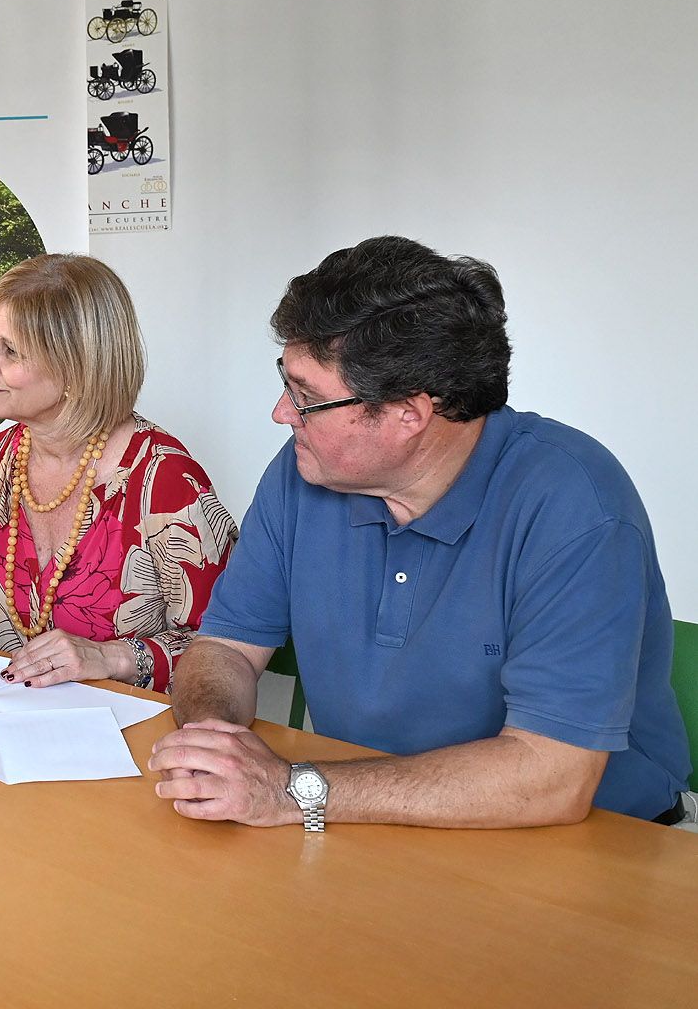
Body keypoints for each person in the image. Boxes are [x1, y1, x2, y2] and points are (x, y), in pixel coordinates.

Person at [153, 236, 692, 830]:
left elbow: (552, 778)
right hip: (363, 813)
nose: (282, 413)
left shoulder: (576, 506)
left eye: (306, 397)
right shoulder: (304, 473)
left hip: (596, 841)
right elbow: (227, 649)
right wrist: (213, 743)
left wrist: (291, 790)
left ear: (408, 414)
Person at [0, 253, 236, 692]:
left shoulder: (166, 481)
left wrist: (110, 657)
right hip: (0, 719)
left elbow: (226, 650)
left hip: (132, 730)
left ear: (76, 368)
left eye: (10, 349)